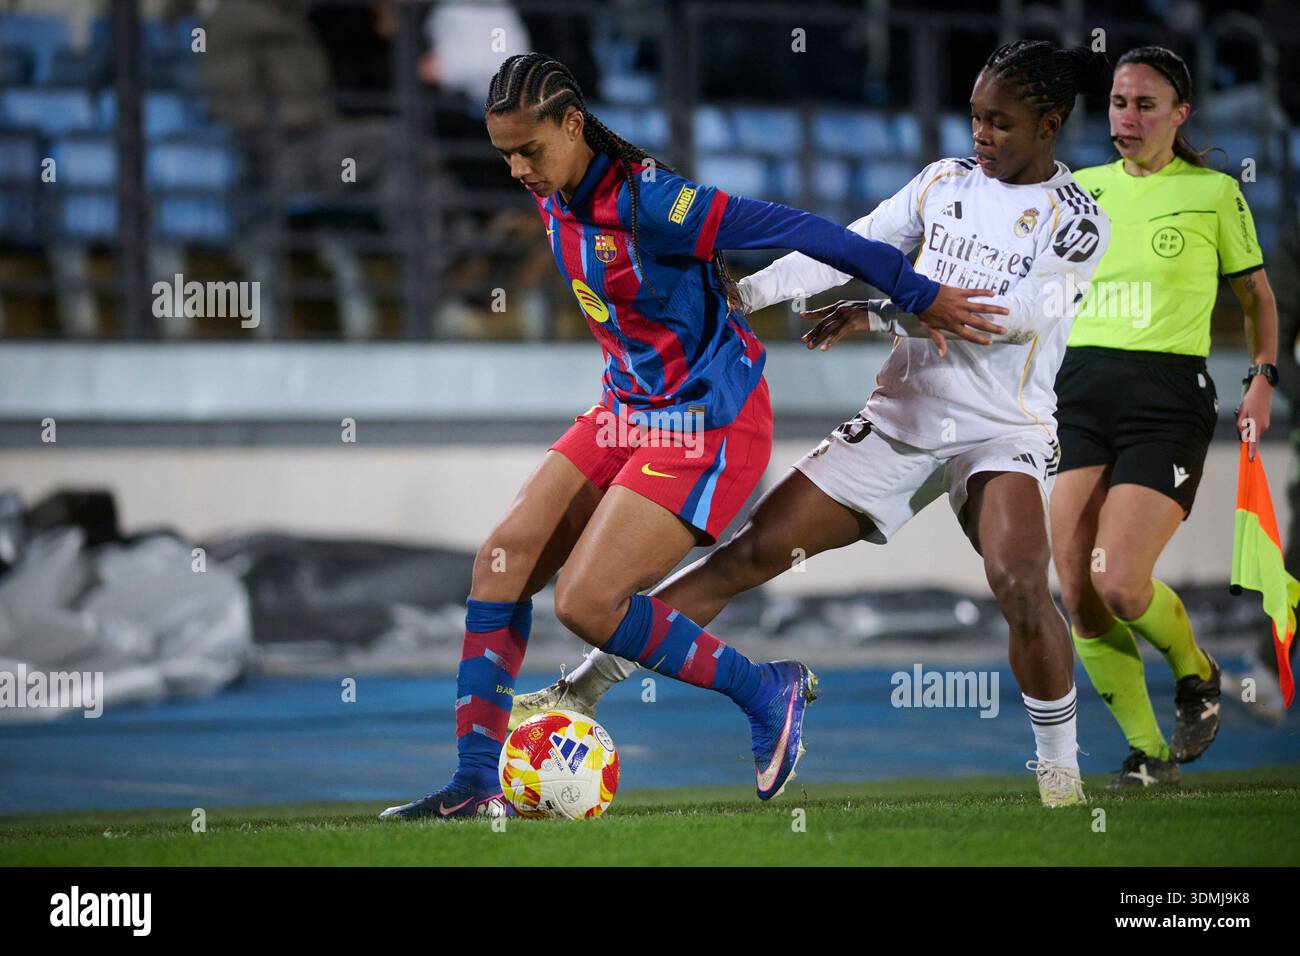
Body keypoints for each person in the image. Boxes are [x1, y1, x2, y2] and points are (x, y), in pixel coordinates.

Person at [380, 52, 1002, 819]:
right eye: (504, 154)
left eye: (529, 151)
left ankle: (764, 689)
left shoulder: (656, 203)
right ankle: (475, 787)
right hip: (625, 412)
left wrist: (916, 292)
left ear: (574, 124)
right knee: (499, 565)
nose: (517, 170)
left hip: (707, 423)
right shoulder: (554, 193)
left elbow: (804, 230)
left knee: (586, 600)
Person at [512, 40, 1113, 808]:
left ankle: (1060, 776)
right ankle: (582, 690)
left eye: (1000, 122)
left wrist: (884, 305)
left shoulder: (1078, 221)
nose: (980, 134)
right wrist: (751, 291)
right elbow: (855, 243)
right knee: (748, 554)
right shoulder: (943, 183)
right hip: (904, 416)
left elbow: (1021, 317)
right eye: (973, 116)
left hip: (1002, 428)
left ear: (1049, 125)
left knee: (1021, 584)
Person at [1049, 46, 1277, 786]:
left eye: (1146, 104)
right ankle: (1149, 754)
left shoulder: (1214, 194)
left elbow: (1257, 300)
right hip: (1077, 393)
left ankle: (1195, 669)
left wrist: (1262, 379)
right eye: (1118, 102)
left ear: (1180, 115)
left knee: (1116, 582)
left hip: (1166, 399)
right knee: (1076, 590)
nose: (1127, 117)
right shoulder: (1078, 190)